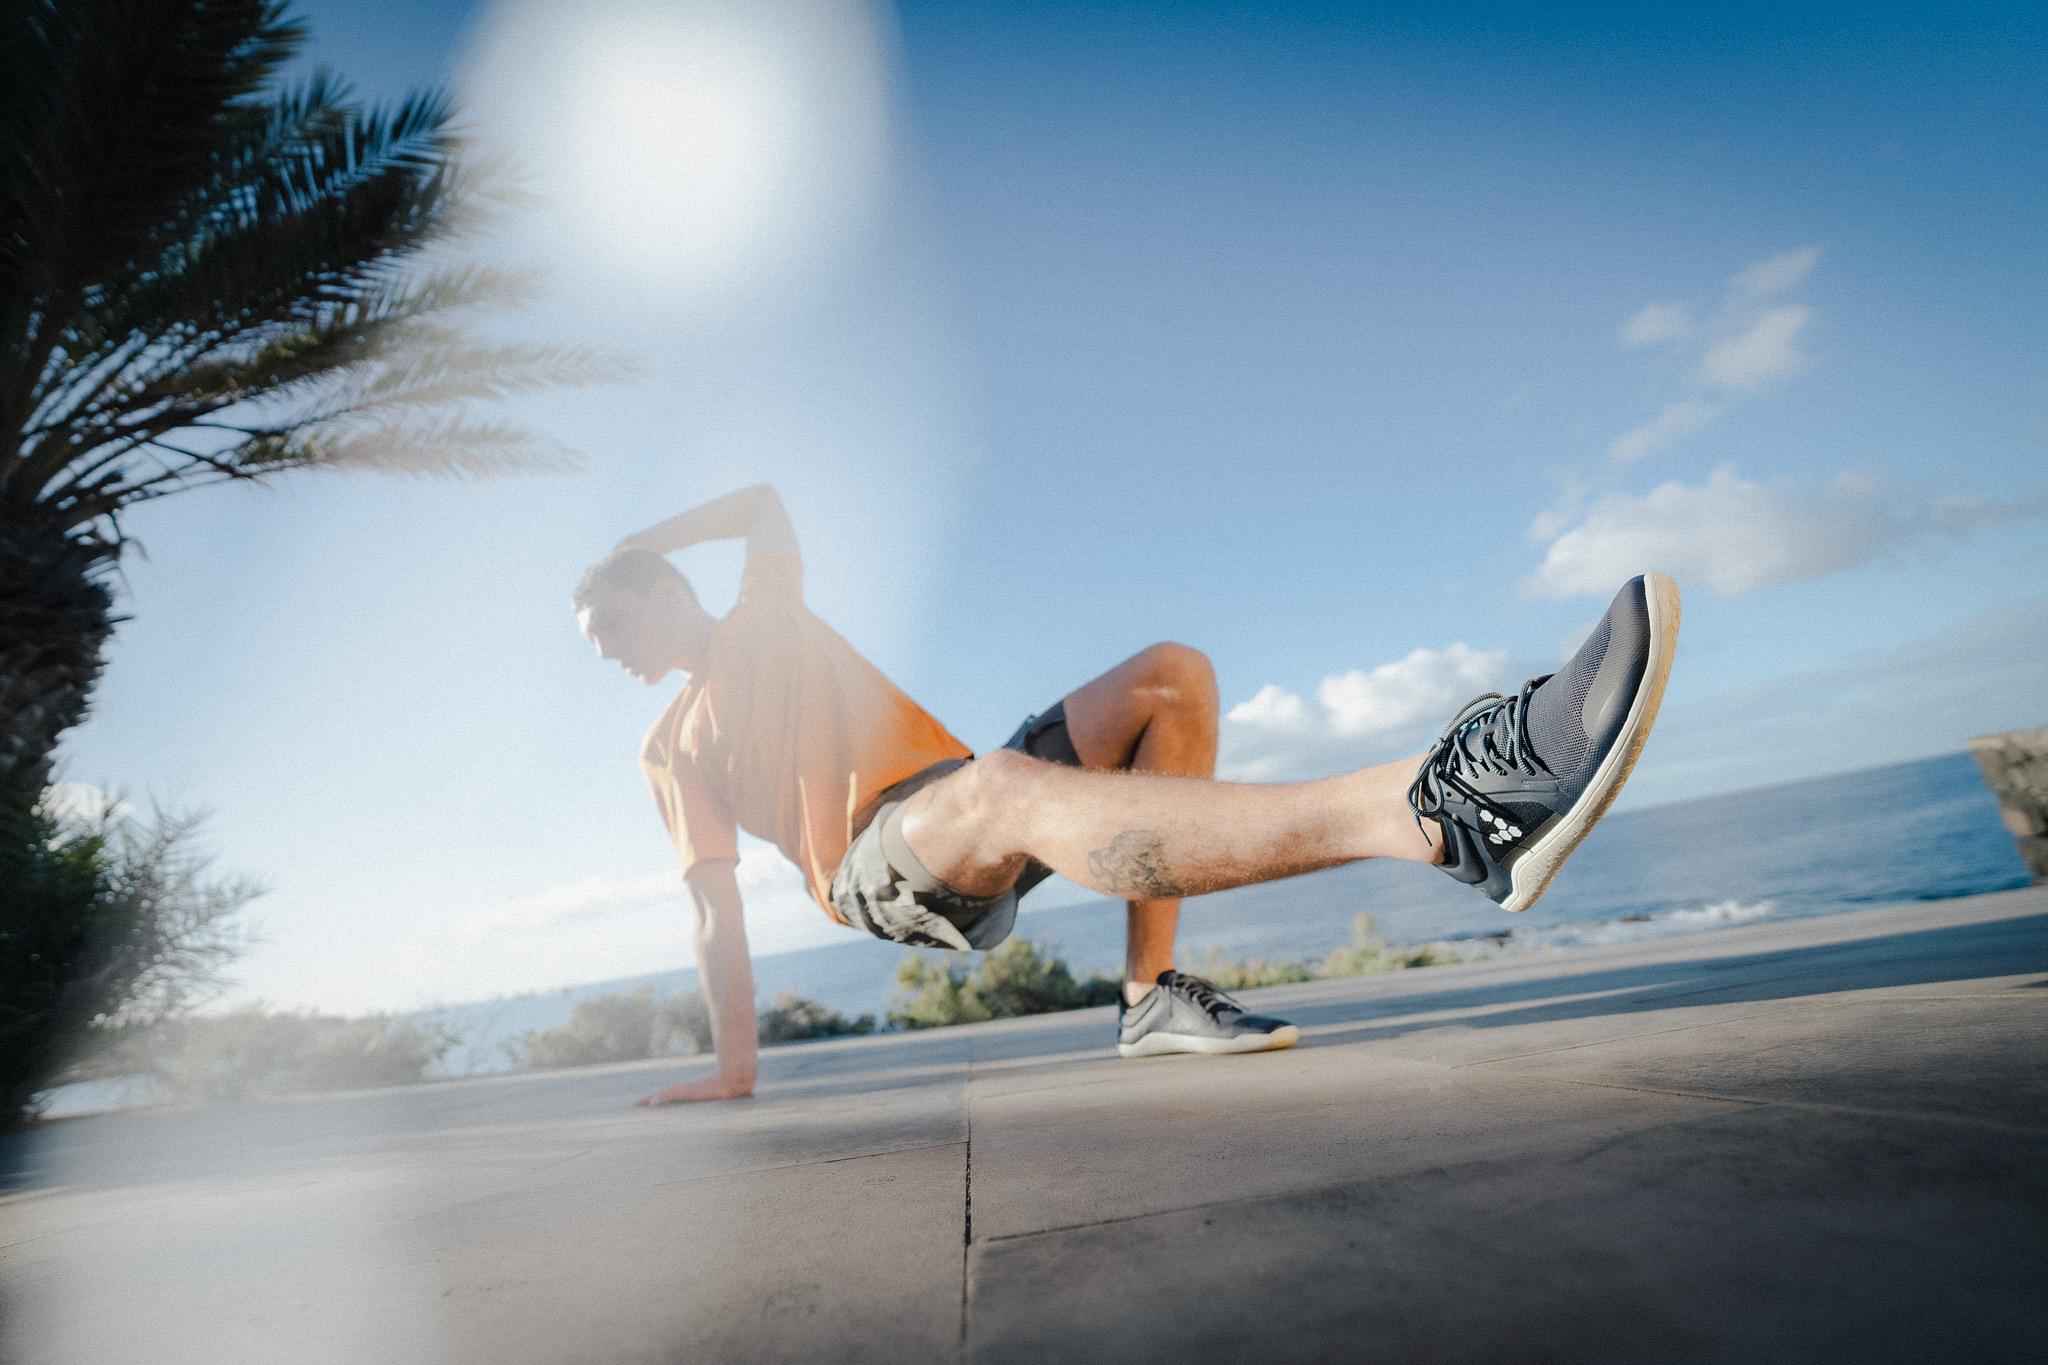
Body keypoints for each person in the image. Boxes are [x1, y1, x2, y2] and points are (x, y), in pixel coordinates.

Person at [575, 483, 1680, 1106]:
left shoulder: (765, 610)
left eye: (613, 626)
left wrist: (639, 535)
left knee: (1170, 675)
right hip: (872, 867)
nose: (611, 653)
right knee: (1003, 788)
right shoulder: (670, 743)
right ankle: (1441, 814)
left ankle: (1148, 996)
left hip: (954, 784)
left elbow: (765, 507)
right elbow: (712, 905)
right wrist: (732, 1071)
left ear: (663, 592)